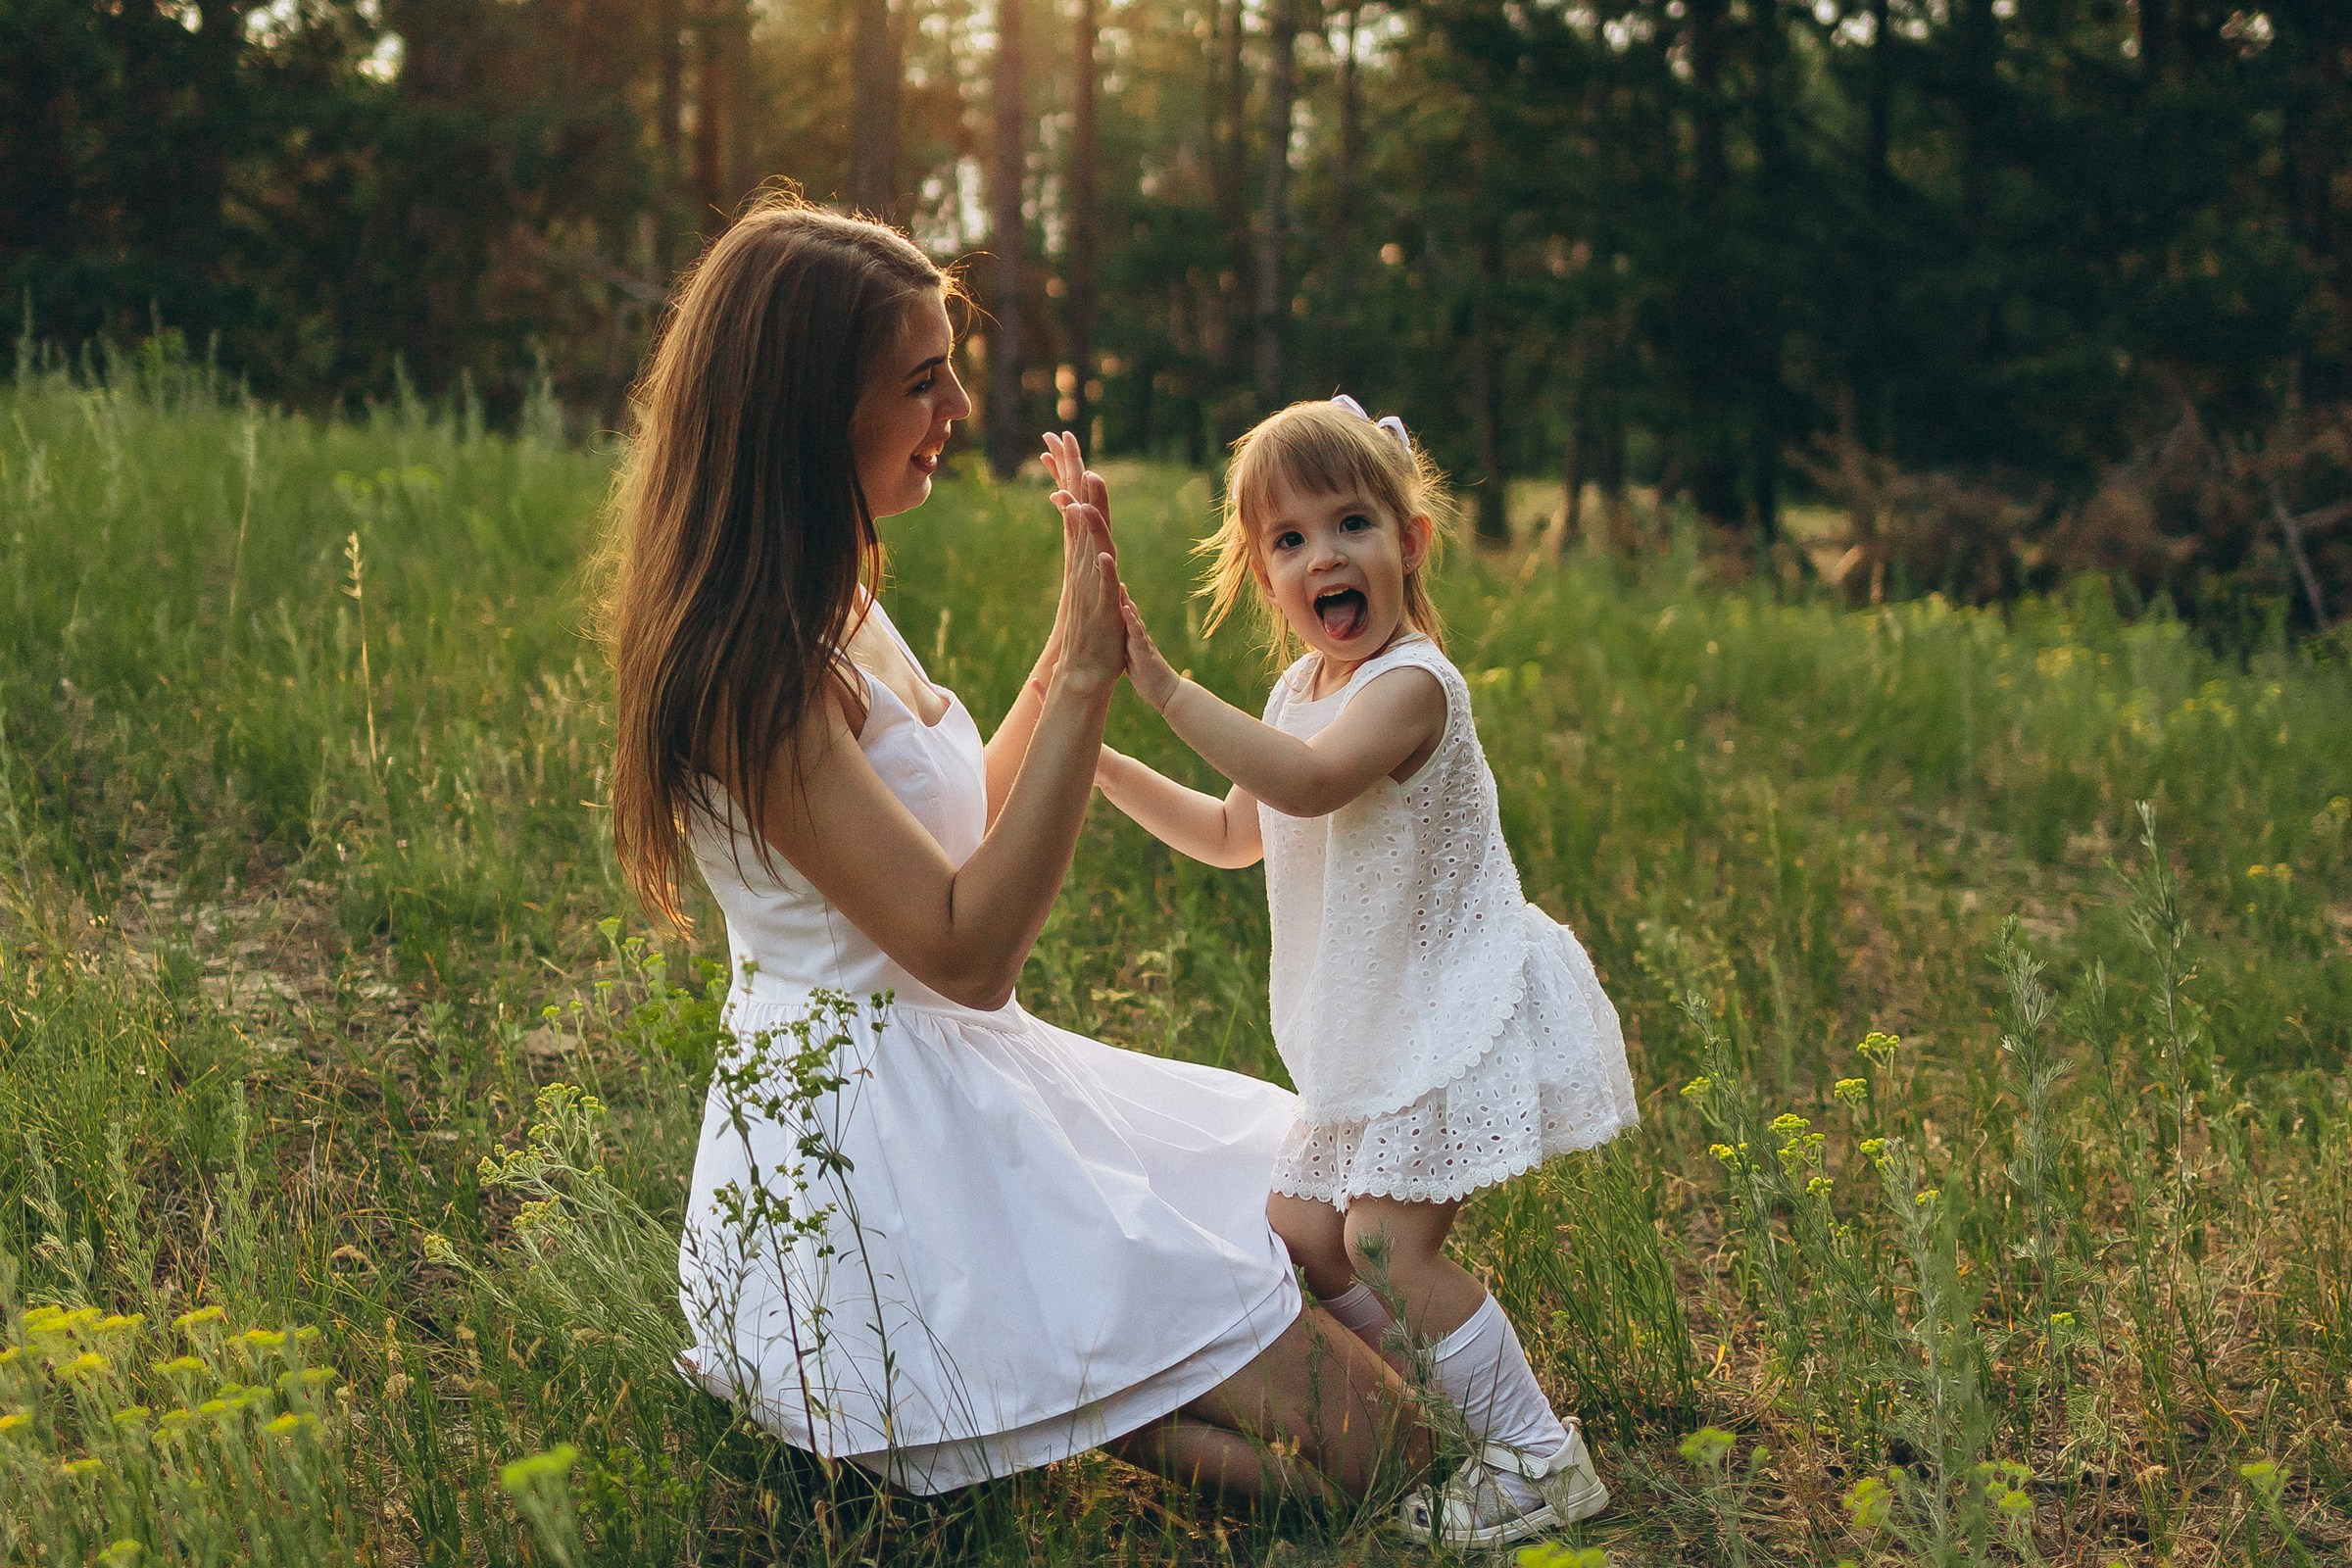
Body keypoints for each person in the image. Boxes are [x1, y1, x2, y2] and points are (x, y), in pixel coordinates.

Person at [600, 196, 1426, 1505]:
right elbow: (966, 948)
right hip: (882, 1152)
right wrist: (1088, 683)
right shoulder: (752, 671)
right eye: (921, 382)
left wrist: (1064, 640)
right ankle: (1055, 1401)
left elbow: (951, 837)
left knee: (1319, 1213)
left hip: (964, 1076)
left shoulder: (830, 598)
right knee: (1385, 1461)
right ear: (810, 410)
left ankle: (1066, 1396)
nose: (959, 408)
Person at [1076, 397, 1642, 1545]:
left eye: (1351, 525)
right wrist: (1099, 762)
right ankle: (1446, 1417)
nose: (1324, 556)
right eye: (1289, 540)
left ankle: (1540, 1456)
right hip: (1375, 1018)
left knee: (1386, 1242)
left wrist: (1163, 685)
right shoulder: (1300, 694)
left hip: (1452, 1003)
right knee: (1303, 1226)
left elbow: (1307, 785)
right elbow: (1234, 832)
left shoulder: (1411, 685)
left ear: (1410, 542)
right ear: (1265, 576)